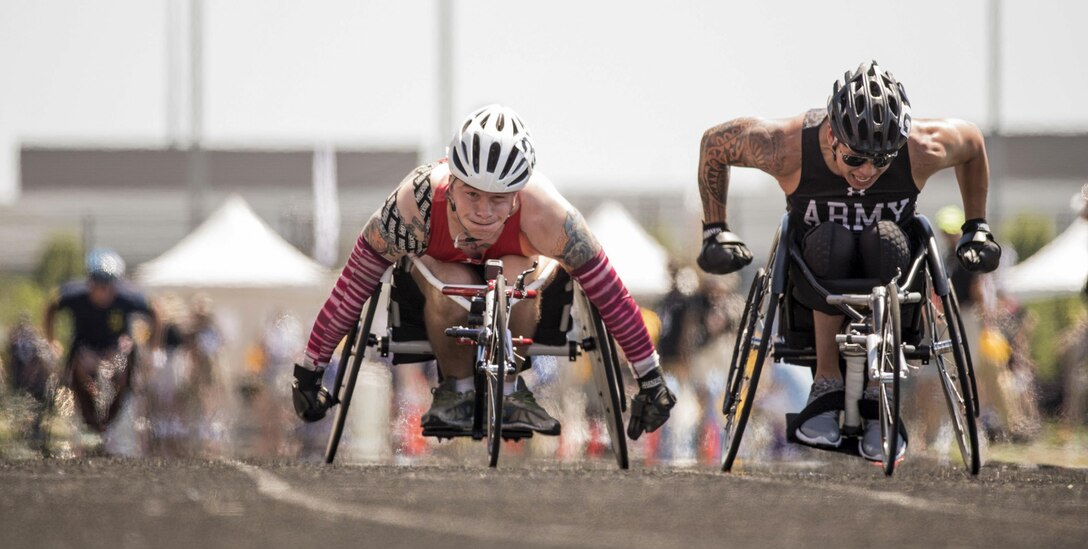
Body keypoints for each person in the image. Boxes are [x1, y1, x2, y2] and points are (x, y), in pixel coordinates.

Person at [292, 104, 675, 441]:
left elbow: (610, 293)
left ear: (517, 196)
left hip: (519, 273)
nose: (483, 212)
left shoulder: (547, 213)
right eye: (472, 194)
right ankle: (456, 389)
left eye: (497, 200)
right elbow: (351, 288)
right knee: (454, 280)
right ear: (452, 181)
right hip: (439, 284)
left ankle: (510, 389)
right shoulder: (413, 207)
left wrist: (651, 379)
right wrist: (309, 372)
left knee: (515, 274)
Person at [696, 61, 1001, 462]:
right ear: (831, 136)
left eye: (882, 160)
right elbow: (715, 144)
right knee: (830, 238)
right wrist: (715, 229)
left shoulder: (921, 147)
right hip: (815, 277)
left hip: (892, 277)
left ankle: (879, 391)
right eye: (856, 159)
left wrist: (977, 226)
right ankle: (826, 380)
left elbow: (973, 143)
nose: (868, 172)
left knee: (887, 239)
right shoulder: (788, 145)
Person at [43, 248, 160, 434]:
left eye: (106, 285)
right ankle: (90, 420)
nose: (101, 291)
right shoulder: (75, 295)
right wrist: (52, 341)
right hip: (84, 347)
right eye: (96, 283)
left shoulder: (127, 297)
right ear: (89, 282)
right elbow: (51, 306)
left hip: (116, 348)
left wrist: (154, 348)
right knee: (78, 370)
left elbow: (154, 310)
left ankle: (110, 420)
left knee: (123, 369)